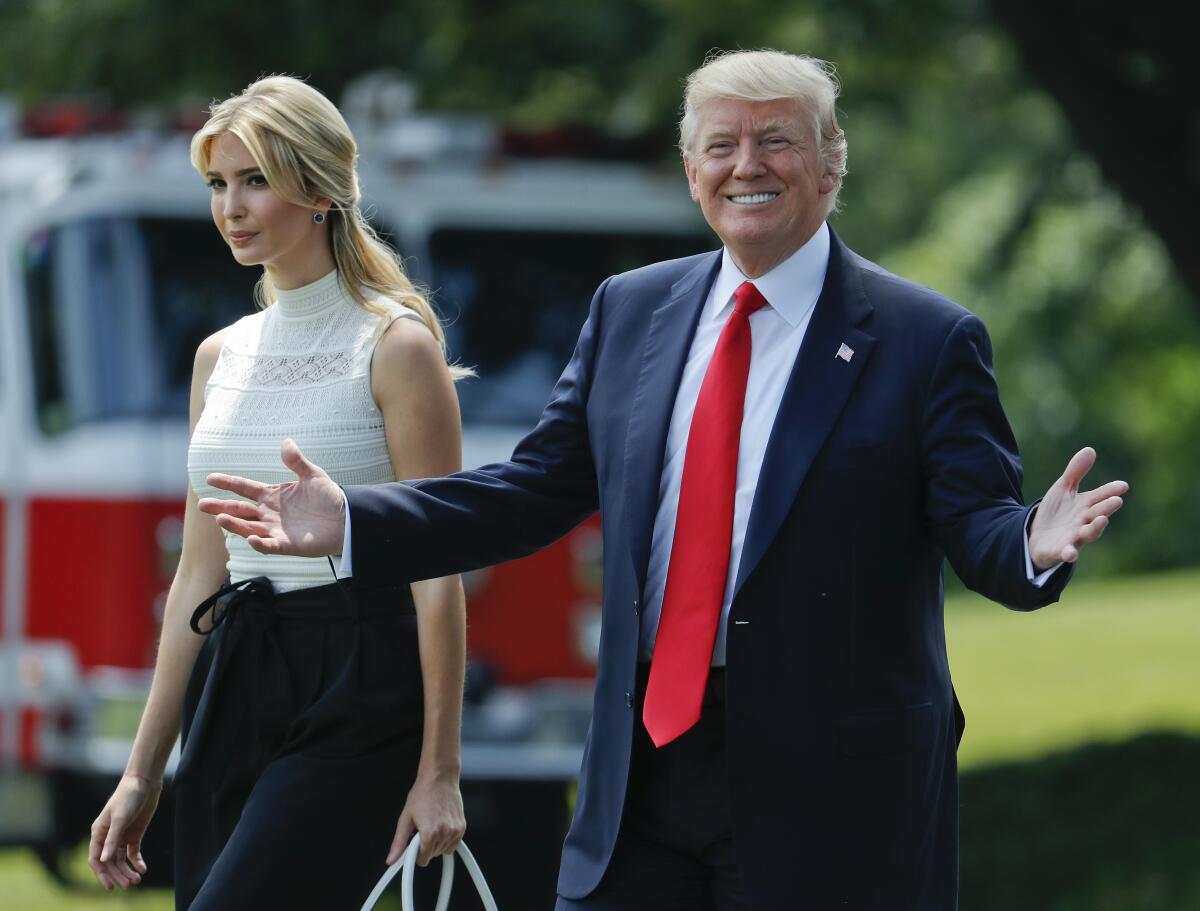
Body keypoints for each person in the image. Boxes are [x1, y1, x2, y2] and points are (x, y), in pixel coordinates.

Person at [199, 51, 1128, 910]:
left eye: (777, 140)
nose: (746, 164)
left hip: (833, 790)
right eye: (720, 144)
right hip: (644, 772)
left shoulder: (926, 339)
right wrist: (357, 519)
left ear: (831, 165)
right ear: (692, 173)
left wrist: (1030, 546)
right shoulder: (631, 310)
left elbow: (982, 530)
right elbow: (532, 490)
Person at [88, 76, 469, 909]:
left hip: (363, 678)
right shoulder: (217, 357)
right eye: (218, 183)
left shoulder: (398, 347)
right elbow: (199, 574)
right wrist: (142, 771)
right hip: (239, 671)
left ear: (322, 188)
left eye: (255, 179)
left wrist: (440, 770)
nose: (232, 206)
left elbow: (439, 574)